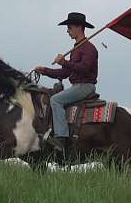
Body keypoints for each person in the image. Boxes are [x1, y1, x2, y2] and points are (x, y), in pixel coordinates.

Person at [35, 12, 98, 152]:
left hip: (85, 86)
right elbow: (65, 73)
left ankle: (61, 137)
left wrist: (65, 62)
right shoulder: (75, 49)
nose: (67, 30)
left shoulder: (89, 48)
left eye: (69, 27)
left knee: (56, 100)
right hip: (77, 86)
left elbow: (85, 70)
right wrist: (45, 70)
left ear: (79, 28)